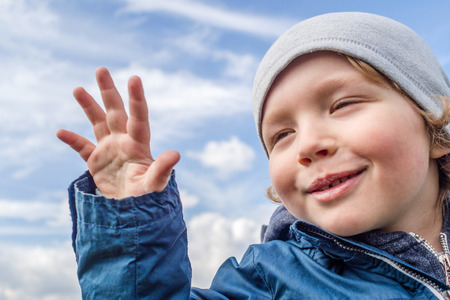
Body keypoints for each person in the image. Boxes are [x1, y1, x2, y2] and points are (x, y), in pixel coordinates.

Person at [57, 12, 450, 299]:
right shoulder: (269, 280)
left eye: (343, 104)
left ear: (436, 129)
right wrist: (131, 220)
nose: (308, 144)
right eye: (282, 135)